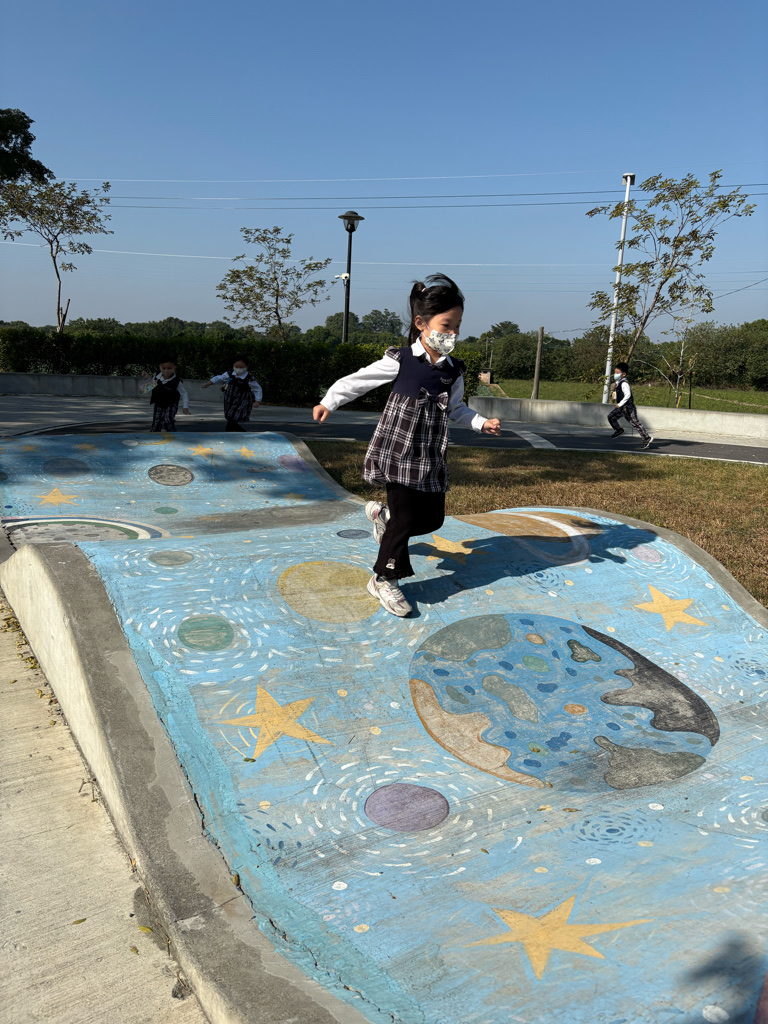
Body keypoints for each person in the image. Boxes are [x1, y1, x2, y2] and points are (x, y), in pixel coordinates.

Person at [313, 274, 501, 617]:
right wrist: (330, 401)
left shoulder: (453, 371)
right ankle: (384, 578)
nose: (452, 333)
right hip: (398, 450)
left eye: (457, 326)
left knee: (432, 520)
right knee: (405, 520)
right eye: (446, 325)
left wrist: (481, 422)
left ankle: (383, 517)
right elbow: (359, 381)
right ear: (421, 323)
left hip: (430, 454)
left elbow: (457, 409)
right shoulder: (402, 360)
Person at [201, 356, 263, 431]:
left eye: (241, 367)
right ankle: (236, 433)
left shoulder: (249, 378)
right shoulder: (229, 374)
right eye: (236, 367)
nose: (238, 369)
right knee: (230, 417)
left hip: (241, 401)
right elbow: (219, 378)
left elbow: (257, 389)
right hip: (229, 399)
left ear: (247, 367)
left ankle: (232, 432)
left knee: (233, 418)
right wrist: (209, 383)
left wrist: (257, 401)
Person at [608, 362, 653, 449]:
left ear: (624, 374)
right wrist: (614, 395)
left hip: (628, 408)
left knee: (635, 423)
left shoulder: (624, 383)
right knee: (611, 417)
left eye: (617, 373)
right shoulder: (619, 383)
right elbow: (621, 394)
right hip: (622, 408)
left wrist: (619, 404)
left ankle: (646, 438)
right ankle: (619, 430)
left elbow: (628, 395)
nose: (615, 375)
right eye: (615, 372)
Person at [140, 358, 190, 432]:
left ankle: (173, 433)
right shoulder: (157, 376)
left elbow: (184, 394)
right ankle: (154, 434)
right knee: (156, 423)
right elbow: (149, 387)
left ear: (174, 368)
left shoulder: (177, 381)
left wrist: (185, 407)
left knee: (167, 420)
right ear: (160, 367)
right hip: (159, 403)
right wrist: (147, 378)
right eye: (164, 368)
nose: (166, 371)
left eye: (169, 368)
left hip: (171, 404)